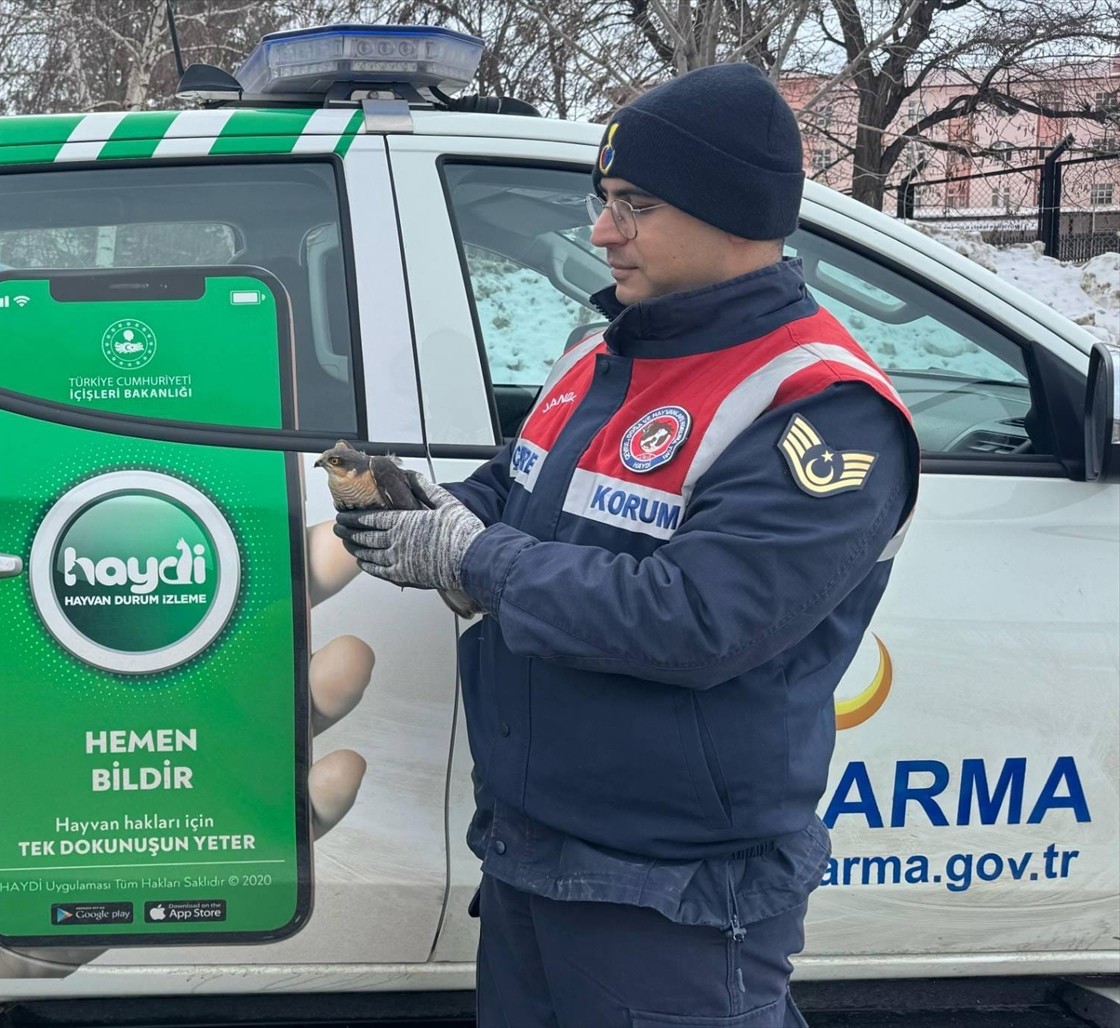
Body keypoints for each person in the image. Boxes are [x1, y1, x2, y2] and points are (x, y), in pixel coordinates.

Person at [335, 61, 920, 1028]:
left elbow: (700, 620)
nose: (603, 231)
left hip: (676, 894)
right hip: (535, 853)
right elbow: (520, 493)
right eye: (604, 201)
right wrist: (428, 510)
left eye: (634, 205)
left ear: (730, 210)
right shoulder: (609, 351)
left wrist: (470, 557)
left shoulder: (821, 406)